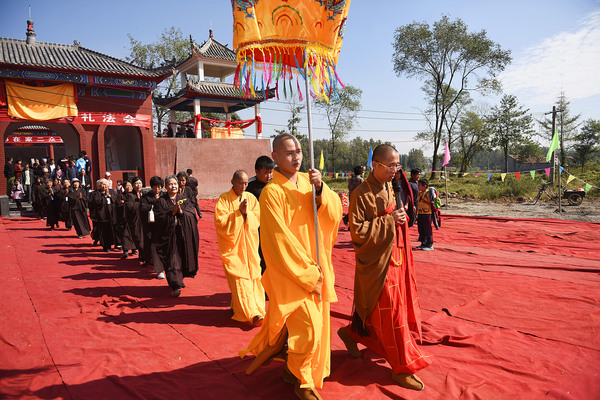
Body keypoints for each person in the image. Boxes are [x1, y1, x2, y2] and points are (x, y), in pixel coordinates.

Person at [240, 133, 342, 400]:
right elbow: (278, 240)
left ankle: (295, 371)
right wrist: (308, 274)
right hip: (292, 272)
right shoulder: (271, 193)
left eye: (298, 151)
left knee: (317, 326)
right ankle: (302, 381)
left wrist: (321, 192)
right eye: (288, 153)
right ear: (275, 157)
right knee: (308, 327)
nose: (296, 156)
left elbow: (333, 214)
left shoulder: (311, 182)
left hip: (317, 265)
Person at [337, 144, 432, 391]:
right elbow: (358, 233)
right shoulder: (361, 193)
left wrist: (397, 219)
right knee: (392, 316)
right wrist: (390, 220)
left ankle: (352, 333)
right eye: (390, 166)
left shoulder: (391, 187)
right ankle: (401, 367)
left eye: (397, 165)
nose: (395, 170)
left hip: (395, 257)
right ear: (375, 165)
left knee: (386, 312)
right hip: (377, 264)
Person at [214, 170, 265, 327]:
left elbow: (257, 219)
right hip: (234, 249)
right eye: (240, 183)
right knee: (240, 279)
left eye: (245, 183)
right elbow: (220, 222)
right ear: (232, 182)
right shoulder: (224, 199)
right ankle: (252, 314)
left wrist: (247, 214)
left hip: (249, 247)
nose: (244, 186)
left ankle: (248, 307)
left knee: (253, 278)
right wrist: (238, 213)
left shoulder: (251, 198)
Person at [153, 175, 199, 297]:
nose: (173, 186)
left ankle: (179, 278)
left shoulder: (184, 199)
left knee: (182, 257)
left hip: (183, 234)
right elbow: (158, 217)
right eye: (170, 184)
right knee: (173, 260)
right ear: (166, 187)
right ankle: (176, 285)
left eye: (175, 184)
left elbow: (192, 215)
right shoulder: (161, 201)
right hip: (169, 236)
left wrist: (181, 212)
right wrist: (171, 213)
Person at [245, 155, 274, 275]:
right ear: (256, 172)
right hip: (255, 228)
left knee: (271, 257)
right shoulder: (248, 185)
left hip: (272, 227)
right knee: (256, 256)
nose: (269, 176)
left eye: (270, 172)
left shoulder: (275, 184)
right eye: (265, 173)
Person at [140, 176, 165, 279]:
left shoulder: (164, 195)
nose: (158, 189)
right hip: (150, 226)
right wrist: (154, 203)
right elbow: (142, 208)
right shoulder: (146, 196)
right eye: (155, 187)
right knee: (151, 244)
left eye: (159, 187)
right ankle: (150, 261)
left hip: (162, 225)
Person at [88, 178, 117, 252]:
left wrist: (110, 196)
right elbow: (96, 202)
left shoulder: (112, 191)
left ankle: (116, 243)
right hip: (102, 215)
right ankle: (106, 246)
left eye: (105, 184)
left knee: (114, 230)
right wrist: (104, 196)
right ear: (98, 186)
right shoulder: (95, 193)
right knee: (104, 232)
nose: (104, 186)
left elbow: (116, 200)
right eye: (102, 184)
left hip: (112, 214)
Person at [116, 181, 137, 259]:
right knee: (125, 235)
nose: (128, 187)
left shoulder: (134, 195)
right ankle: (125, 250)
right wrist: (125, 204)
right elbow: (118, 206)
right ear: (124, 188)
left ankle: (134, 249)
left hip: (133, 218)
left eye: (130, 185)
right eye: (127, 186)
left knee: (133, 234)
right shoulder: (120, 196)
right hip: (123, 219)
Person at [416, 178, 434, 251]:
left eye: (419, 185)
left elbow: (433, 199)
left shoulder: (428, 193)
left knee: (427, 229)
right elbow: (417, 203)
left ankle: (429, 244)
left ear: (425, 186)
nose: (418, 187)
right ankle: (423, 243)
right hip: (420, 213)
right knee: (421, 229)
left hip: (427, 213)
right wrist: (416, 212)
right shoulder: (419, 193)